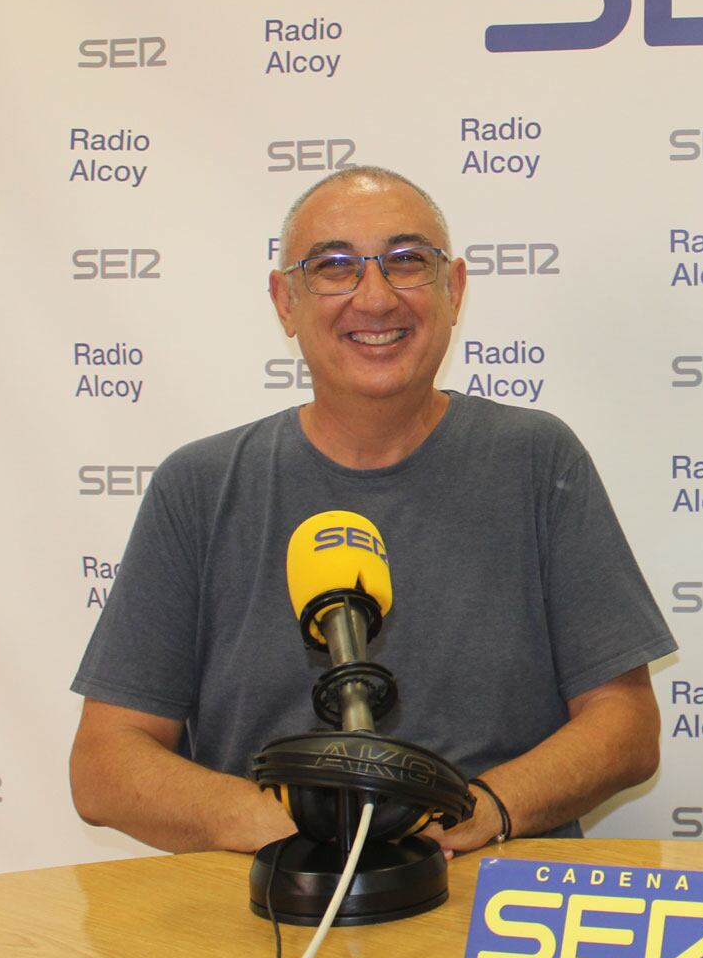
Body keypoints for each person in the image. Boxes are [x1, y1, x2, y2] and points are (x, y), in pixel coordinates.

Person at [69, 166, 672, 856]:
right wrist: (280, 825)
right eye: (334, 267)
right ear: (284, 301)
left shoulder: (537, 460)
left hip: (494, 918)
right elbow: (104, 764)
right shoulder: (200, 487)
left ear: (455, 289)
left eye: (408, 262)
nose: (375, 297)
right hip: (276, 913)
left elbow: (626, 725)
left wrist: (479, 811)